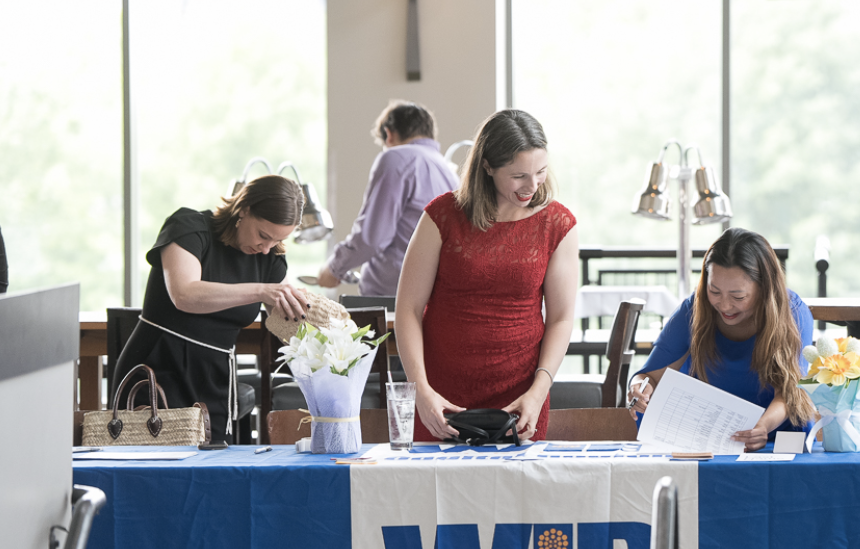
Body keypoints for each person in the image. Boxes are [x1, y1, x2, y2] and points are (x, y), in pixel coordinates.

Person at [394, 109, 578, 442]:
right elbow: (408, 309)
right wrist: (420, 390)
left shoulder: (558, 224)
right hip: (441, 396)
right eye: (519, 175)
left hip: (522, 397)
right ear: (487, 167)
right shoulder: (441, 217)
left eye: (540, 171)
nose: (532, 185)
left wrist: (539, 390)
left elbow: (561, 318)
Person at [112, 175, 309, 440]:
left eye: (276, 241)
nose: (266, 249)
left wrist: (307, 314)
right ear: (244, 208)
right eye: (263, 235)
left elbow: (288, 320)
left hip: (215, 378)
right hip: (158, 368)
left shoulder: (268, 259)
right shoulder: (189, 227)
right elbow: (185, 294)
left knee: (212, 470)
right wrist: (262, 289)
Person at [627, 228, 816, 451]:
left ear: (765, 288)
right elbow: (649, 376)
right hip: (707, 437)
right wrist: (638, 389)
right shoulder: (693, 310)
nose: (724, 306)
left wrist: (762, 427)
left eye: (738, 297)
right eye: (714, 291)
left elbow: (790, 392)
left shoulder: (793, 312)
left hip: (777, 435)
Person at [316, 100, 460, 296]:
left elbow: (372, 238)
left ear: (389, 134)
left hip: (394, 297)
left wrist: (334, 268)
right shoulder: (447, 169)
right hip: (436, 292)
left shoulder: (396, 157)